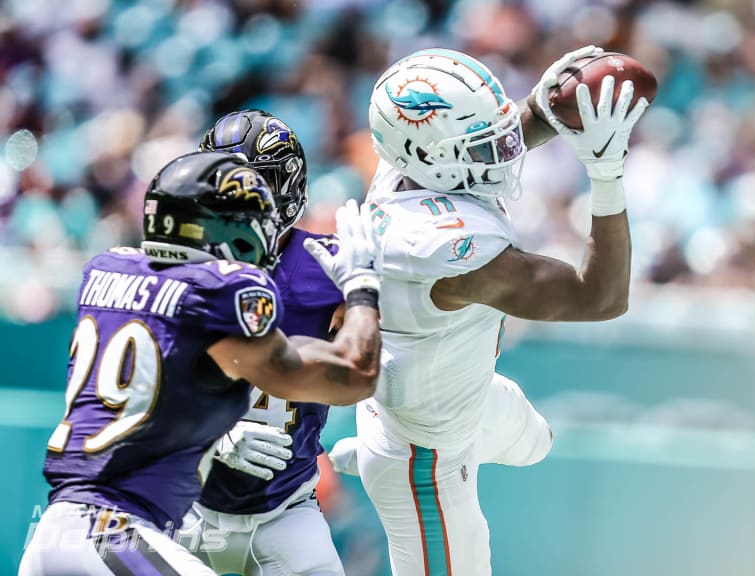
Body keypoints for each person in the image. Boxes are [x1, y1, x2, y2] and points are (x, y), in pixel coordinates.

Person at [330, 46, 647, 575]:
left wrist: (545, 106)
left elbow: (489, 138)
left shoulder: (405, 164)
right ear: (433, 157)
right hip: (422, 458)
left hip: (465, 397)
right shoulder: (447, 252)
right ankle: (371, 447)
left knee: (536, 444)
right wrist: (608, 175)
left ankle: (369, 441)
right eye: (484, 145)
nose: (504, 152)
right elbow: (602, 298)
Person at [19, 151, 382, 575]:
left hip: (67, 530)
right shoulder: (217, 295)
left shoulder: (107, 269)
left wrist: (216, 430)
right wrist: (361, 287)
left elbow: (161, 386)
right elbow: (352, 375)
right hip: (113, 532)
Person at [180, 109, 350, 575]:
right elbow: (143, 392)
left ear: (287, 189)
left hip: (286, 510)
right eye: (225, 185)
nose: (240, 204)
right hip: (184, 504)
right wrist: (213, 432)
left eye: (254, 185)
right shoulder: (180, 268)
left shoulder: (329, 263)